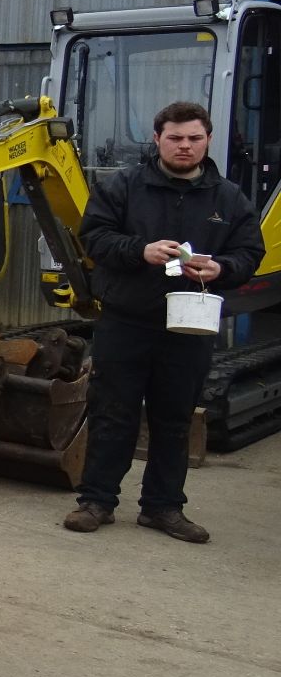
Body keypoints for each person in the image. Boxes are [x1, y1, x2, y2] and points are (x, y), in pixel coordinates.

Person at [64, 101, 264, 541]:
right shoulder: (123, 187)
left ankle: (162, 508)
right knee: (112, 413)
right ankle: (96, 501)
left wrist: (222, 269)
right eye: (175, 138)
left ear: (208, 139)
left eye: (194, 138)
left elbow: (251, 253)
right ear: (157, 140)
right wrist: (141, 250)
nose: (185, 146)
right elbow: (93, 237)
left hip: (189, 327)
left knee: (175, 419)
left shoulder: (228, 198)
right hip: (127, 320)